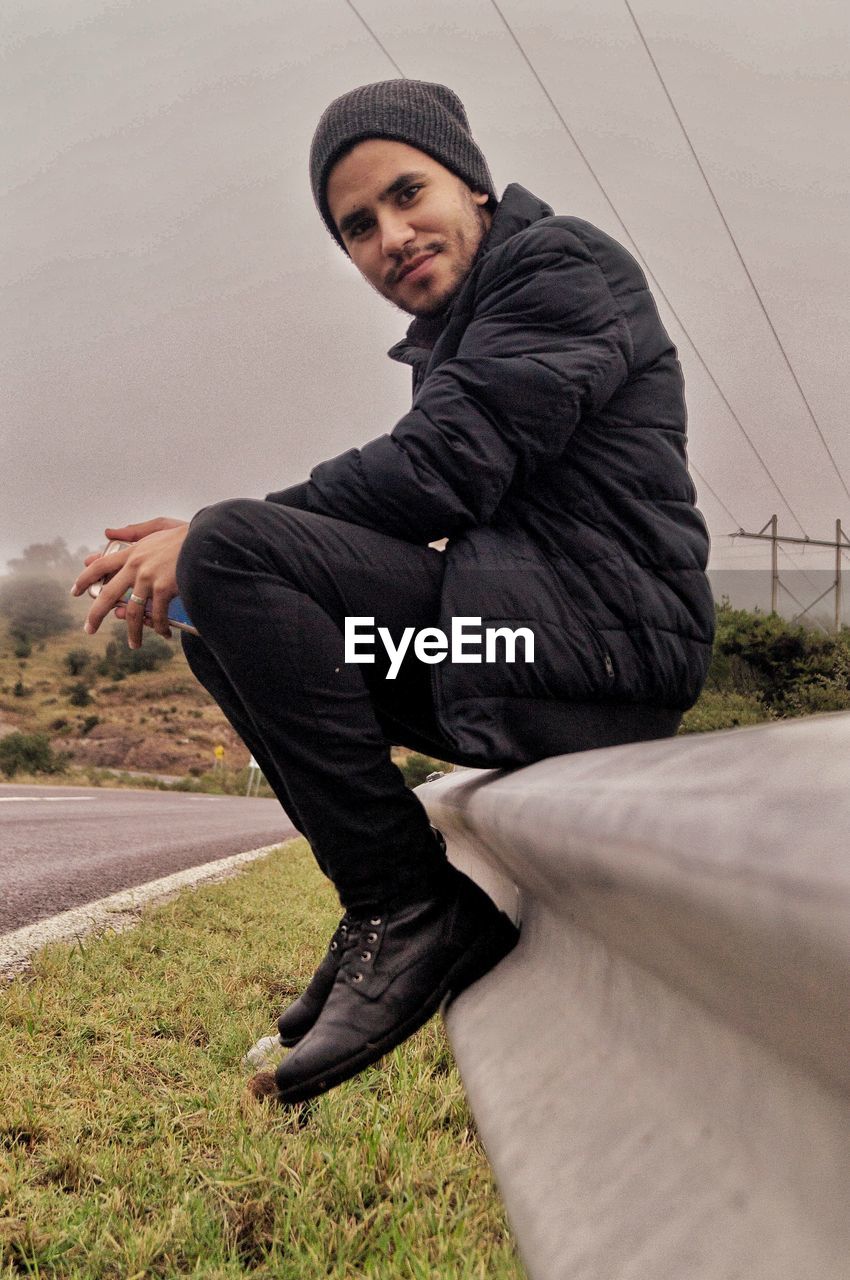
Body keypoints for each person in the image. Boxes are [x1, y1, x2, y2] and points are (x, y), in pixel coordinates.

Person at [73, 79, 715, 1104]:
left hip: (596, 655)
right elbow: (422, 493)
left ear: (469, 180)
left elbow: (440, 470)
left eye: (408, 194)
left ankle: (406, 900)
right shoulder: (468, 321)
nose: (392, 236)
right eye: (358, 227)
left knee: (233, 553)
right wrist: (211, 569)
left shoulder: (561, 266)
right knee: (222, 622)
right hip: (503, 647)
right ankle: (384, 905)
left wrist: (204, 543)